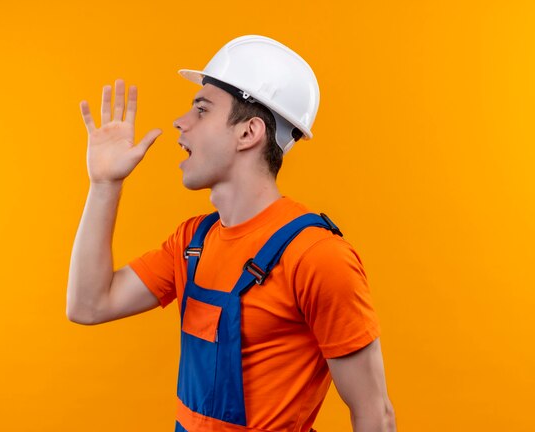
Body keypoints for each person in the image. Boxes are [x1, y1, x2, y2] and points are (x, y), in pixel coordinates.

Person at [67, 35, 396, 432]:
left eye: (201, 111)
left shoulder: (318, 257)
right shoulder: (192, 243)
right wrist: (104, 185)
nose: (180, 122)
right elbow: (88, 305)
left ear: (248, 133)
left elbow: (374, 415)